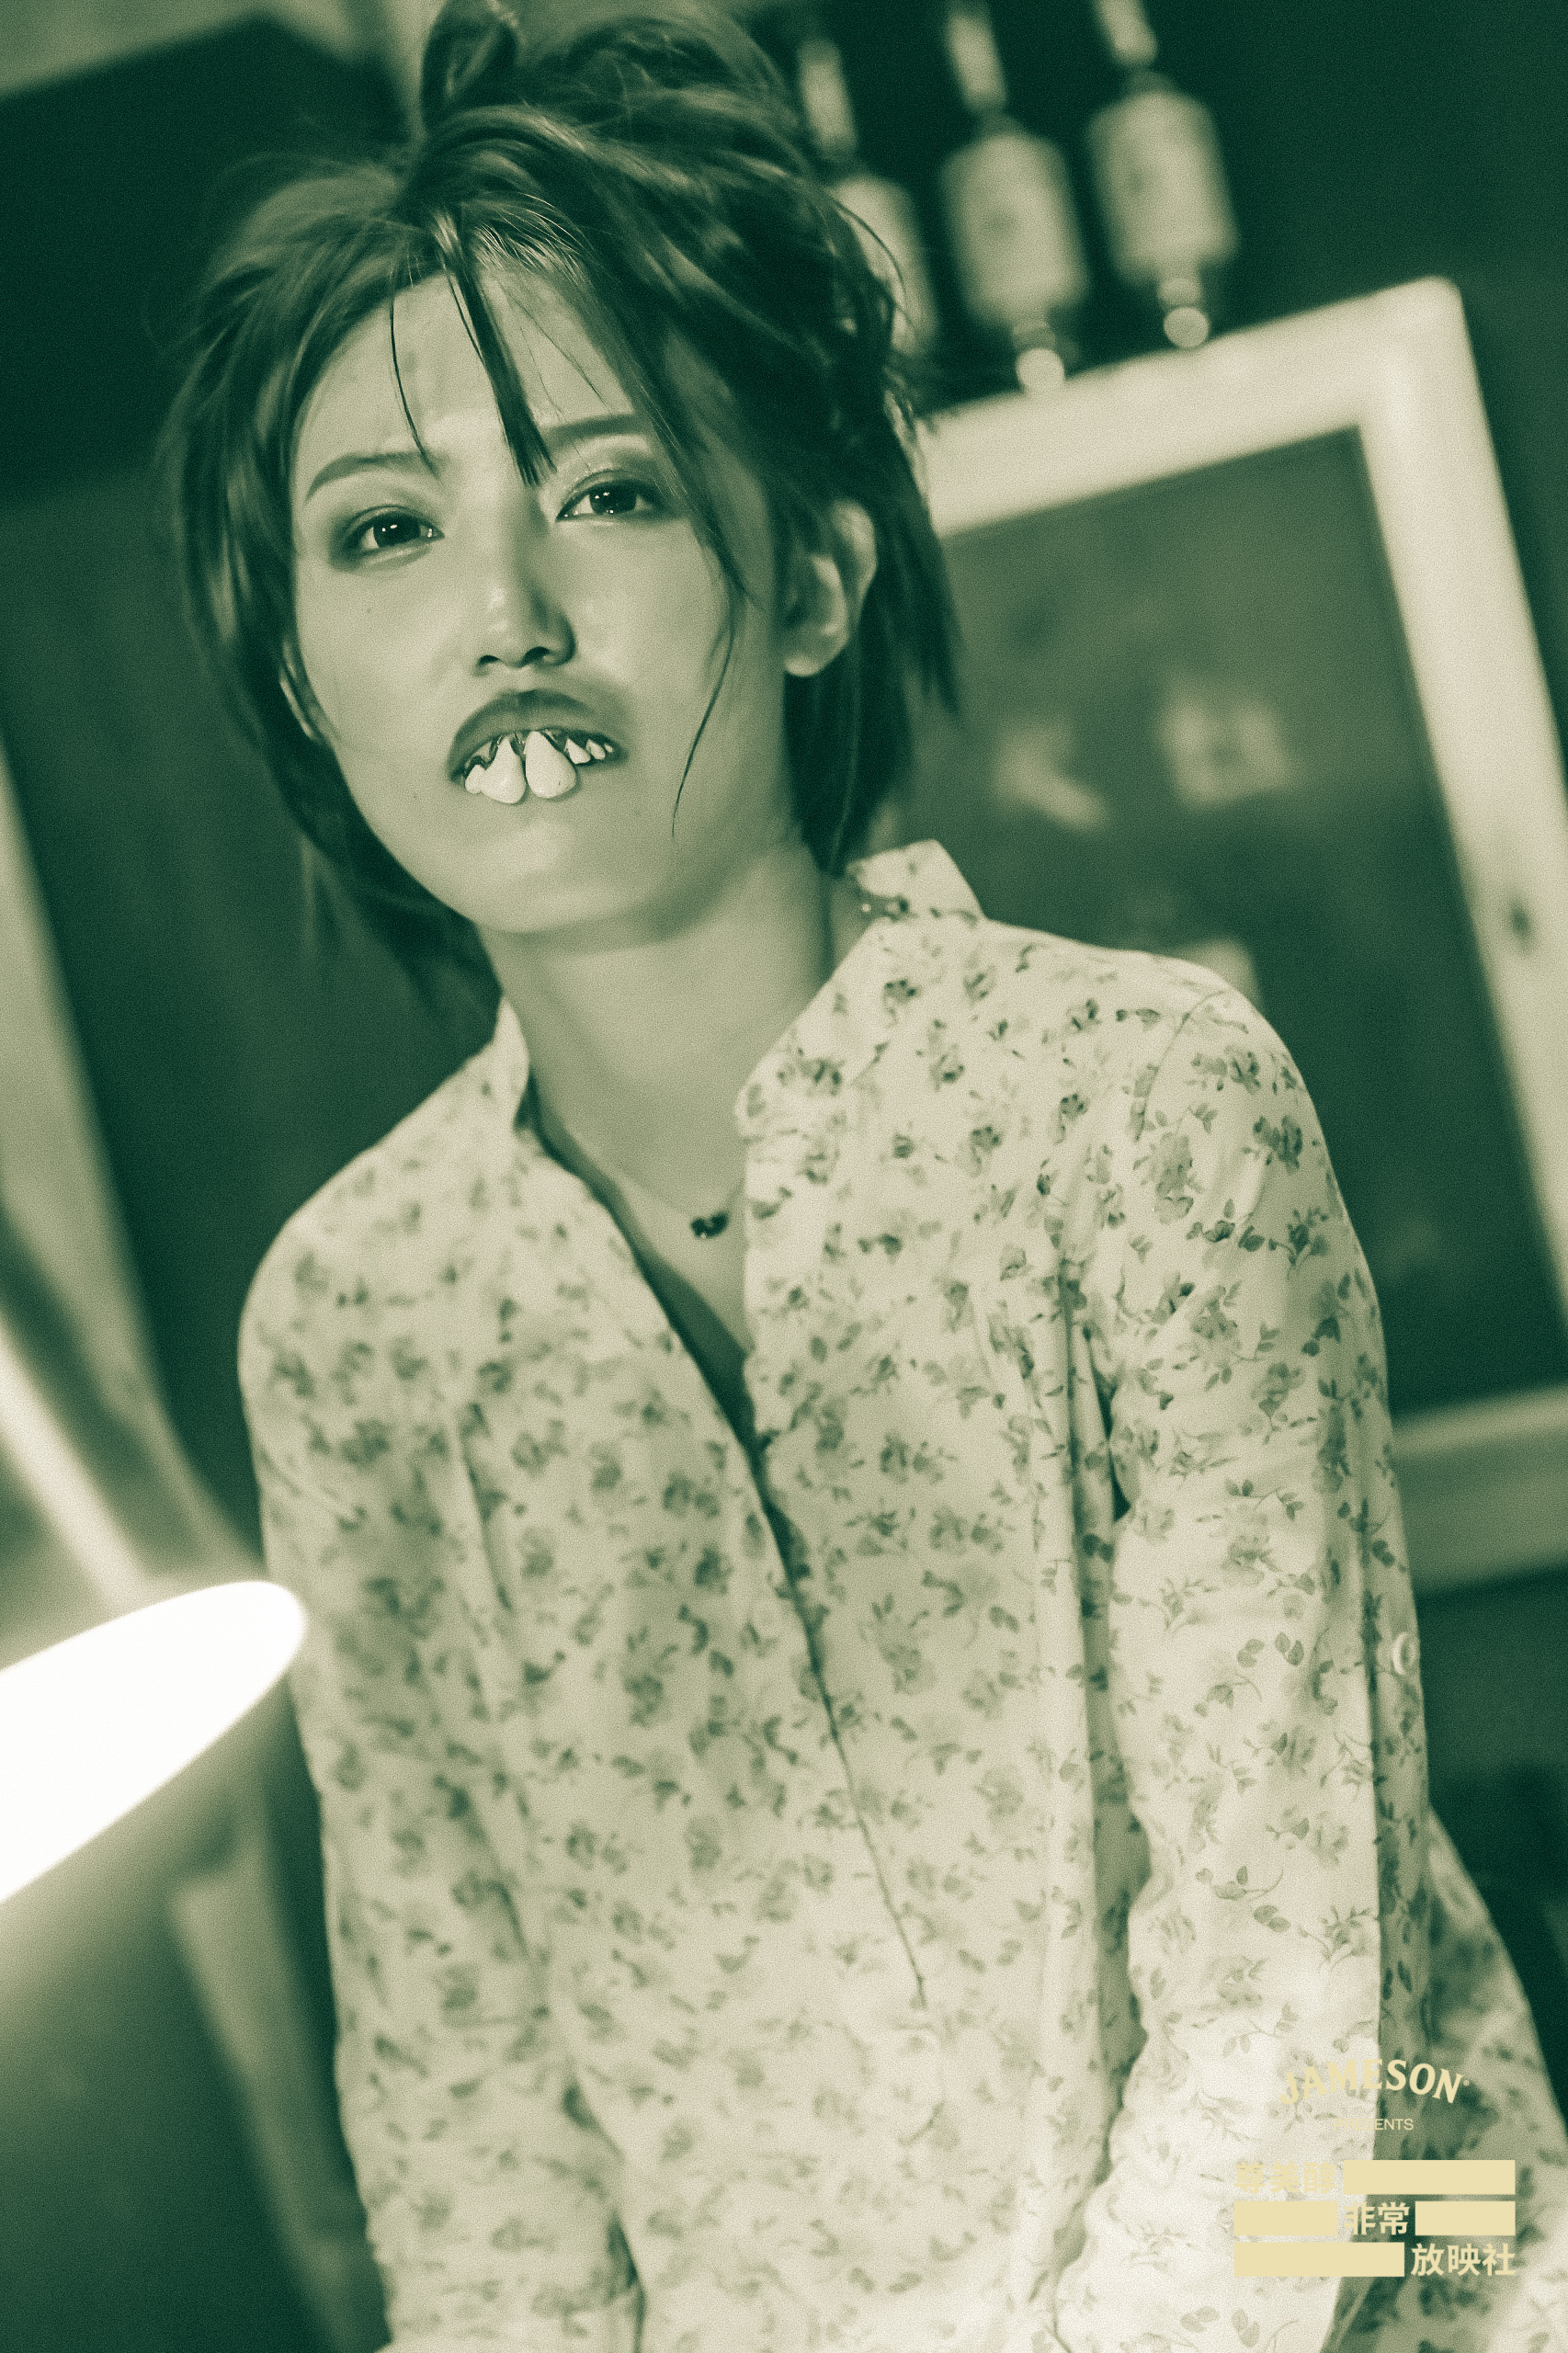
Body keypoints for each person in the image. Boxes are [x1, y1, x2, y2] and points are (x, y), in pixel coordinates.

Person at [161, 6, 1568, 2347]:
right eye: (384, 530)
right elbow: (470, 2130)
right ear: (305, 674)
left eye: (608, 492)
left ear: (811, 580)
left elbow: (1299, 2033)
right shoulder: (353, 1315)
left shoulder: (1141, 1103)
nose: (502, 607)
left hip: (1378, 2273)